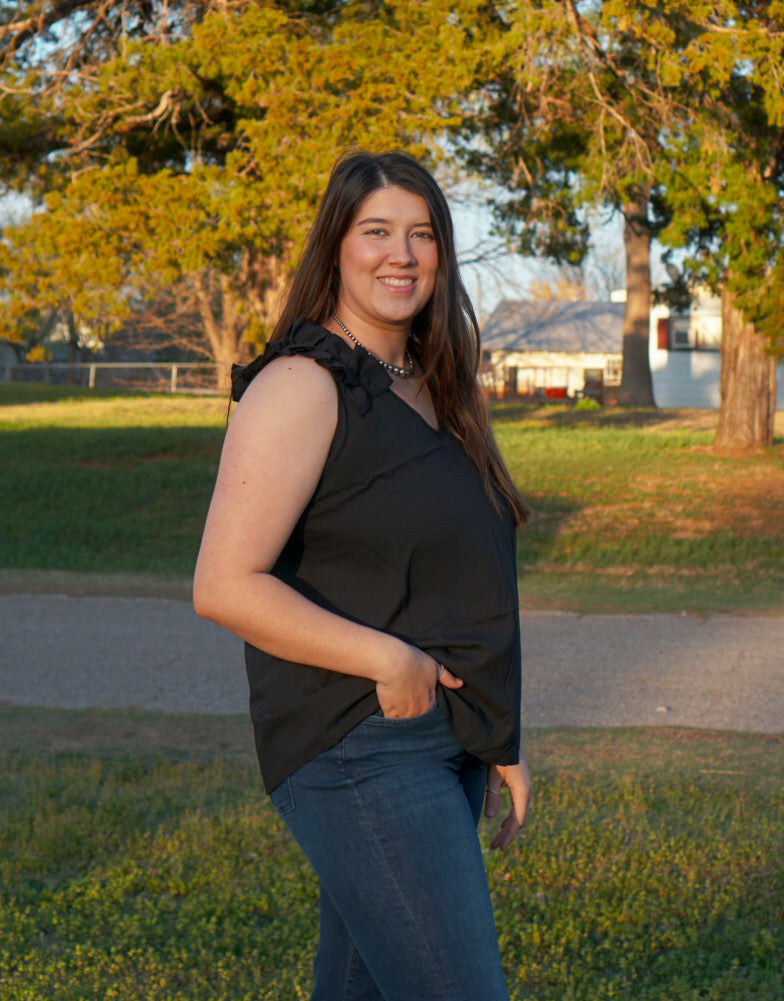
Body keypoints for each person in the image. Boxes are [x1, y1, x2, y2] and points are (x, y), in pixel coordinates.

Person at [193, 150, 532, 1001]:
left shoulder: (434, 388)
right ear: (336, 247)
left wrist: (497, 736)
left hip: (440, 735)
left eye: (422, 235)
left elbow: (463, 583)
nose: (402, 254)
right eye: (376, 230)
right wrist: (390, 661)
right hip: (360, 746)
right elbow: (225, 584)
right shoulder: (304, 383)